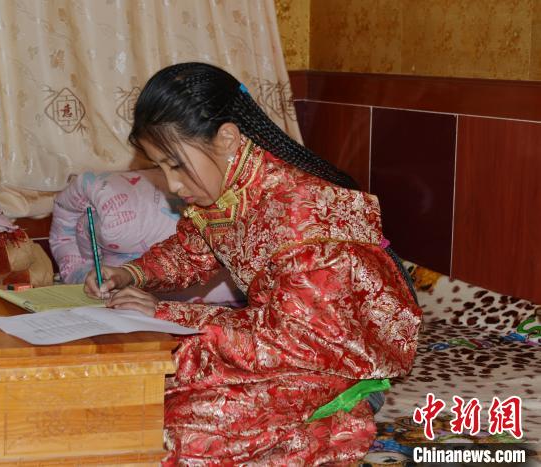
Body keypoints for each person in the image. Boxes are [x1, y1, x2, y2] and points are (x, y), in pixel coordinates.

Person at [84, 62, 422, 465]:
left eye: (175, 164)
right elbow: (193, 248)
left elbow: (293, 341)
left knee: (181, 427)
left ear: (227, 138)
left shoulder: (302, 214)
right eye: (161, 167)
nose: (171, 184)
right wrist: (131, 273)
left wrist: (166, 314)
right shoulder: (231, 187)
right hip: (279, 341)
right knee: (141, 392)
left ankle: (345, 411)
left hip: (337, 361)